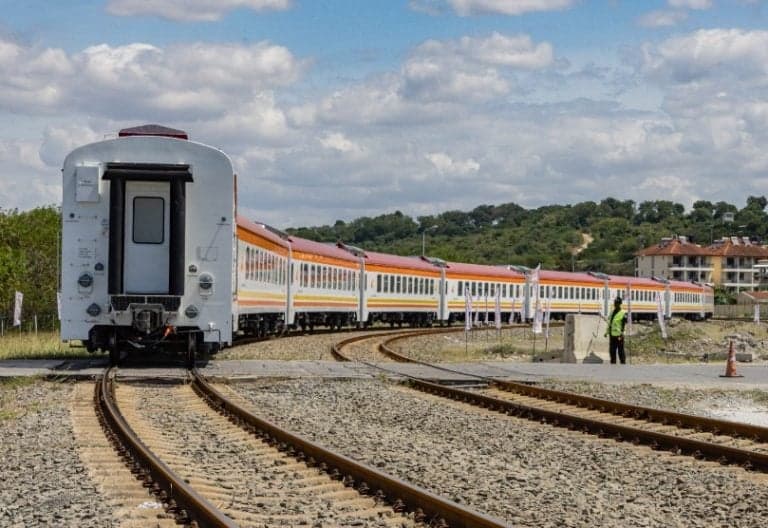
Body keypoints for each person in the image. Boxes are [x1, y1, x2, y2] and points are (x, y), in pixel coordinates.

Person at [605, 297, 628, 364]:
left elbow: (624, 325)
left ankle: (623, 364)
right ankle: (613, 364)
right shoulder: (612, 312)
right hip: (612, 335)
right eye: (615, 303)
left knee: (621, 352)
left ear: (620, 304)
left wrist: (622, 334)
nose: (615, 304)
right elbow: (610, 323)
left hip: (619, 336)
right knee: (612, 351)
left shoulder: (623, 313)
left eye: (617, 303)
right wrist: (607, 332)